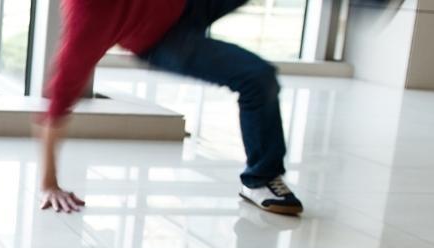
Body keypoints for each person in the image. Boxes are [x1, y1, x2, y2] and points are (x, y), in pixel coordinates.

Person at [38, 0, 304, 215]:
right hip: (164, 39)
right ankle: (261, 179)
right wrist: (49, 184)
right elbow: (57, 105)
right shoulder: (88, 15)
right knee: (258, 78)